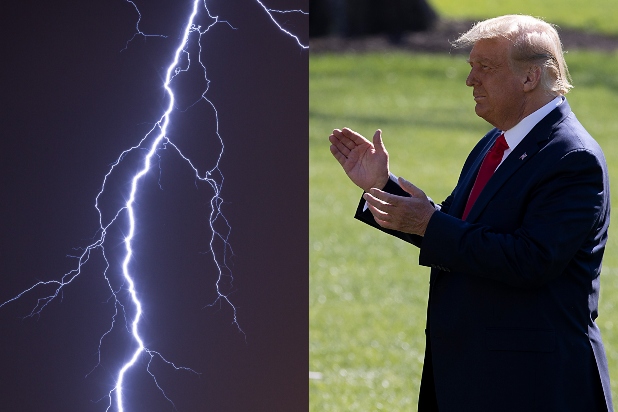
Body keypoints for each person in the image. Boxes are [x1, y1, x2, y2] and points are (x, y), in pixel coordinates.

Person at [329, 15, 613, 411]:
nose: (470, 80)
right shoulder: (495, 141)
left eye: (486, 68)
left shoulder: (572, 158)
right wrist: (383, 187)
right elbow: (460, 230)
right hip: (475, 372)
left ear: (531, 77)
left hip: (534, 384)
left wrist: (429, 224)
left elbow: (532, 259)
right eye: (471, 67)